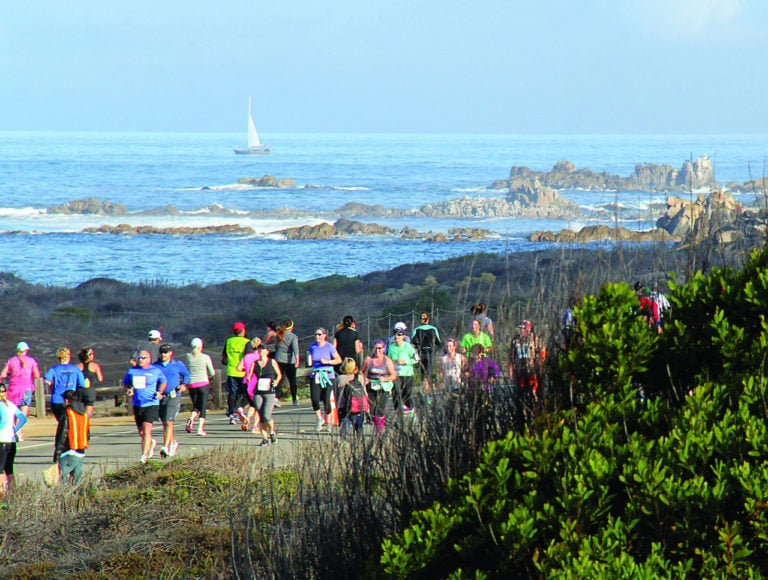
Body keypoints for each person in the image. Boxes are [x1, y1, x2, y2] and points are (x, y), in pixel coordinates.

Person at [123, 349, 167, 463]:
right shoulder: (132, 371)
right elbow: (126, 383)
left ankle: (144, 455)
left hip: (151, 403)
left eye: (143, 358)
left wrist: (160, 391)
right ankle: (150, 442)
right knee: (141, 432)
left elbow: (163, 381)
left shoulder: (155, 371)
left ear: (149, 360)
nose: (140, 360)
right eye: (139, 358)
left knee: (147, 429)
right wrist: (129, 389)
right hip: (137, 404)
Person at [44, 347, 86, 463]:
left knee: (63, 425)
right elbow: (82, 384)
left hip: (56, 401)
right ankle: (63, 451)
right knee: (68, 426)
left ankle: (63, 450)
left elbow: (47, 380)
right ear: (69, 356)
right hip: (68, 401)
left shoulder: (55, 369)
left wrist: (53, 384)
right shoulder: (75, 369)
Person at [153, 344, 190, 458]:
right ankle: (172, 442)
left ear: (171, 353)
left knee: (169, 421)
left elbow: (187, 374)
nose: (164, 355)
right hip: (160, 397)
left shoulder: (177, 364)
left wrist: (184, 384)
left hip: (173, 395)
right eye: (162, 352)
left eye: (166, 352)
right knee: (165, 422)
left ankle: (165, 446)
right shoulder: (155, 366)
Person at [0, 342, 41, 442]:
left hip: (13, 388)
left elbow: (3, 374)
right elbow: (37, 375)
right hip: (26, 388)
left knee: (12, 410)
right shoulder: (31, 361)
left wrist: (12, 373)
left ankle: (11, 429)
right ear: (26, 350)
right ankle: (18, 431)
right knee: (23, 411)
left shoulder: (11, 361)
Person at [245, 343, 282, 446]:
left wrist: (276, 381)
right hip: (258, 391)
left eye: (263, 349)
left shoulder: (272, 362)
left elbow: (279, 375)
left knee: (266, 415)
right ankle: (264, 439)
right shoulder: (255, 363)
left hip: (269, 391)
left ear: (267, 351)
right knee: (261, 416)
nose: (261, 352)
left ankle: (272, 432)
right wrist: (248, 379)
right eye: (259, 350)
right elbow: (249, 375)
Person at [307, 327, 342, 431]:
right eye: (316, 334)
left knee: (326, 399)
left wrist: (327, 362)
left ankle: (329, 421)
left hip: (328, 375)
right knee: (315, 399)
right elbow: (310, 358)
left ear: (324, 336)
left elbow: (338, 360)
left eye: (319, 334)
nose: (317, 336)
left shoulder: (329, 347)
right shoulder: (312, 347)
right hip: (316, 374)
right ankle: (320, 419)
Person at [361, 340, 397, 434]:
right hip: (371, 387)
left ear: (384, 349)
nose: (377, 350)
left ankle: (379, 430)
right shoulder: (369, 359)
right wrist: (365, 379)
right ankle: (377, 424)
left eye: (380, 348)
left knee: (380, 410)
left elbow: (393, 375)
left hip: (383, 388)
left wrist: (385, 379)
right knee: (372, 410)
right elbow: (361, 372)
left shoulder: (387, 360)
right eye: (376, 348)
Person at [56, 388, 90, 484]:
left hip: (68, 450)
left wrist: (57, 452)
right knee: (76, 481)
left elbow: (62, 434)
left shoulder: (67, 413)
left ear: (67, 401)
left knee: (60, 478)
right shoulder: (85, 415)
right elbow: (88, 434)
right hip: (81, 451)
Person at [0, 382, 27, 493]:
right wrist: (14, 431)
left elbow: (4, 419)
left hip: (1, 440)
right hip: (11, 440)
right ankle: (13, 494)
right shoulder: (10, 404)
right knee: (9, 469)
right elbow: (23, 418)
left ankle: (1, 495)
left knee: (0, 470)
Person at [184, 338, 215, 436]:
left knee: (196, 405)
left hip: (192, 384)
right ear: (201, 347)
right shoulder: (205, 357)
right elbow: (212, 372)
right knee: (203, 406)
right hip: (203, 384)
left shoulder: (188, 357)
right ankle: (200, 429)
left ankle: (192, 418)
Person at [387, 326, 420, 413]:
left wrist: (406, 361)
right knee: (396, 395)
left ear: (403, 336)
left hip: (407, 374)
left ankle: (411, 411)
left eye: (399, 335)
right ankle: (398, 414)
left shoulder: (408, 347)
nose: (397, 336)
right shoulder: (391, 347)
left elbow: (416, 359)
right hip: (396, 375)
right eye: (396, 334)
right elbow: (388, 360)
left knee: (406, 395)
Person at [222, 321, 250, 425]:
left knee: (232, 393)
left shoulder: (228, 341)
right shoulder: (247, 342)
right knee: (247, 393)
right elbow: (248, 357)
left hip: (231, 371)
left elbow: (224, 356)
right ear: (243, 331)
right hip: (243, 372)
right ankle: (240, 408)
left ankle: (231, 414)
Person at [337, 357, 369, 436]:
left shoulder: (340, 379)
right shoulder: (360, 378)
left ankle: (345, 446)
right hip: (358, 406)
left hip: (343, 407)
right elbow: (364, 393)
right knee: (359, 430)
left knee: (344, 433)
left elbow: (336, 394)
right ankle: (359, 446)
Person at [239, 337, 263, 433]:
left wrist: (246, 370)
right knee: (258, 406)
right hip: (256, 382)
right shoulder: (260, 358)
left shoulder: (247, 356)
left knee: (252, 405)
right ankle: (255, 427)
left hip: (246, 382)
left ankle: (247, 419)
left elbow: (239, 368)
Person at [411, 312, 442, 388]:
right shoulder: (433, 329)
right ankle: (428, 391)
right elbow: (438, 342)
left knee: (422, 373)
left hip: (421, 353)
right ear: (428, 320)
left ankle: (423, 388)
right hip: (430, 353)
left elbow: (412, 341)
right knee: (429, 373)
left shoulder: (416, 329)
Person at [275, 319, 300, 406]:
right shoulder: (293, 336)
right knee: (292, 380)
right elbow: (295, 349)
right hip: (290, 361)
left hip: (279, 359)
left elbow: (276, 346)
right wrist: (297, 360)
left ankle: (275, 397)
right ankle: (294, 399)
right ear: (292, 327)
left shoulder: (279, 335)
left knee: (278, 379)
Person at [76, 346, 102, 417]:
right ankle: (86, 424)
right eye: (91, 354)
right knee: (88, 412)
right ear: (88, 355)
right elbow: (100, 379)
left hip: (79, 391)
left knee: (79, 412)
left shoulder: (77, 366)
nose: (93, 355)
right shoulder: (95, 366)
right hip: (89, 391)